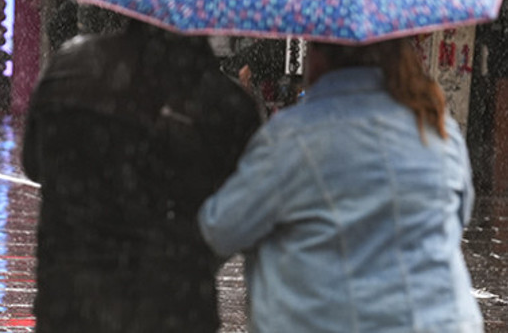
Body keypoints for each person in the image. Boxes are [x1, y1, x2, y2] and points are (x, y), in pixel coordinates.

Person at [198, 38, 484, 333]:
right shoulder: (438, 129)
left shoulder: (290, 138)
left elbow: (222, 227)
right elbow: (455, 217)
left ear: (319, 59)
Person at [21, 20, 262, 332]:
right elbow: (238, 217)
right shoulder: (227, 104)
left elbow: (34, 164)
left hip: (69, 302)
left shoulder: (70, 65)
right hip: (172, 308)